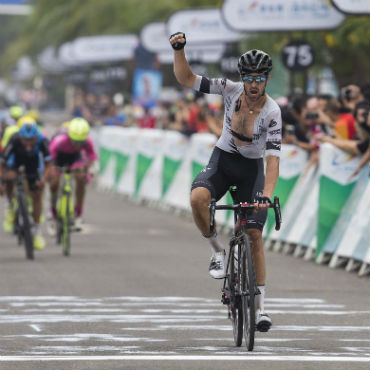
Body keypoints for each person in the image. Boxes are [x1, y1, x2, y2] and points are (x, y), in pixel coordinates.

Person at [169, 32, 282, 332]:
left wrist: (267, 196)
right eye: (250, 78)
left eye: (260, 78)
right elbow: (187, 78)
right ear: (242, 78)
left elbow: (273, 160)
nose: (255, 84)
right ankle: (217, 250)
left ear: (267, 80)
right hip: (223, 159)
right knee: (197, 199)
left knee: (255, 236)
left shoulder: (273, 112)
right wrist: (179, 50)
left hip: (251, 171)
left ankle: (260, 309)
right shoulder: (228, 90)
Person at [0, 120, 51, 249]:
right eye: (25, 140)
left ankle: (37, 229)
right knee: (9, 179)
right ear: (20, 137)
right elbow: (2, 163)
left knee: (37, 193)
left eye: (31, 140)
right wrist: (2, 180)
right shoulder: (15, 139)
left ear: (36, 137)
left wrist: (43, 179)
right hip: (15, 164)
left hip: (33, 167)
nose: (28, 144)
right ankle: (10, 205)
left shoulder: (42, 140)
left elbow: (48, 164)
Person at [47, 117, 97, 231]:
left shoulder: (87, 141)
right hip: (58, 157)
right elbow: (49, 160)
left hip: (75, 158)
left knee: (81, 178)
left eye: (81, 142)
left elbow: (91, 158)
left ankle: (78, 214)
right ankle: (53, 210)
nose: (77, 145)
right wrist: (51, 172)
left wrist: (89, 172)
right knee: (54, 182)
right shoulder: (59, 140)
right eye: (75, 141)